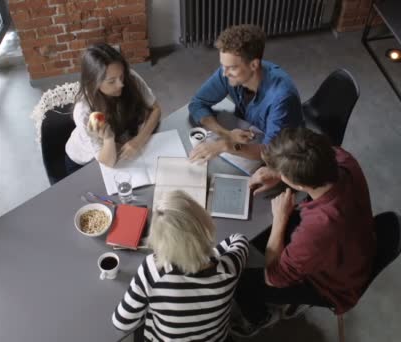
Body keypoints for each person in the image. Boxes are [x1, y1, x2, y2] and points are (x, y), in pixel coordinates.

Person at [231, 128, 376, 338]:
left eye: (283, 175)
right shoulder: (342, 158)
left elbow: (274, 276)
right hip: (351, 245)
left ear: (298, 184)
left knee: (241, 280)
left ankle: (259, 318)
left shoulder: (320, 228)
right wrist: (277, 172)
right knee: (266, 234)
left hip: (332, 285)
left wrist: (280, 218)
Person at [112, 190, 249, 341]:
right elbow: (239, 239)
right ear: (203, 222)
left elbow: (122, 322)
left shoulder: (154, 270)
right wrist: (208, 253)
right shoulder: (230, 268)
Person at [188, 24, 302, 163]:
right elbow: (197, 104)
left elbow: (271, 153)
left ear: (254, 65)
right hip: (250, 133)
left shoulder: (282, 98)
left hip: (286, 154)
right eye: (223, 65)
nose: (224, 73)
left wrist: (225, 145)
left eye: (231, 67)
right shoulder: (227, 74)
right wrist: (226, 134)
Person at [65, 43, 161, 174]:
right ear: (94, 82)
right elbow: (107, 162)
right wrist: (108, 138)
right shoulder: (85, 111)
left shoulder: (129, 78)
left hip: (120, 146)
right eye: (111, 81)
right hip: (85, 162)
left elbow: (155, 109)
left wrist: (139, 141)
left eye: (121, 76)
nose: (121, 84)